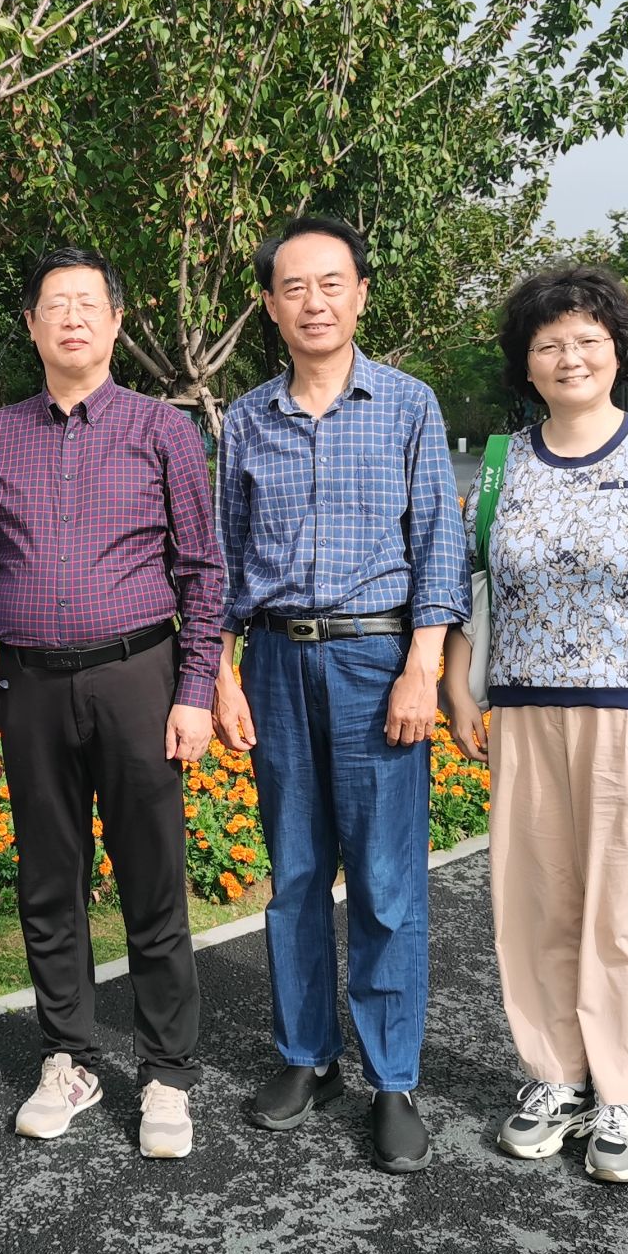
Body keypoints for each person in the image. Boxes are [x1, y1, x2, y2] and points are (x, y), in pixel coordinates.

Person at [442, 264, 628, 1185]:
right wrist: (457, 685)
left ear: (617, 351)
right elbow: (473, 584)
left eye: (587, 340)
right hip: (526, 714)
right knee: (534, 905)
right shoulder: (503, 465)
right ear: (525, 363)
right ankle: (554, 1078)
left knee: (627, 911)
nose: (570, 357)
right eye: (549, 344)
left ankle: (620, 1095)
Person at [213, 216, 468, 1175]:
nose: (313, 303)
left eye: (331, 284)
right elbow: (225, 561)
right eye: (293, 287)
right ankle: (306, 1057)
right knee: (294, 875)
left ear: (360, 293)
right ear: (269, 305)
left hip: (375, 662)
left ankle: (392, 1079)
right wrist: (222, 673)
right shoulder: (247, 420)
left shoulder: (407, 404)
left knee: (386, 882)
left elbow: (439, 543)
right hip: (277, 662)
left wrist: (422, 666)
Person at [0, 247, 225, 1159]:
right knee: (50, 883)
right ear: (31, 324)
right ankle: (70, 1058)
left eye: (89, 303)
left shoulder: (162, 429)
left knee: (153, 884)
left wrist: (195, 689)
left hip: (138, 678)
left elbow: (203, 570)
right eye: (55, 304)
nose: (72, 317)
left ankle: (167, 1073)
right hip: (30, 686)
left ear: (116, 322)